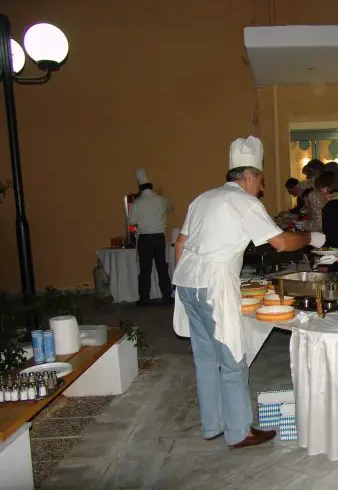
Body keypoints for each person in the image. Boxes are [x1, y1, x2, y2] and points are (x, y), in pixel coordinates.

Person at [172, 136, 326, 448]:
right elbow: (281, 243)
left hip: (187, 281)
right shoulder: (244, 202)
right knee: (232, 357)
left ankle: (212, 425)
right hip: (213, 284)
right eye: (261, 180)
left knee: (205, 358)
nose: (262, 188)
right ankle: (239, 432)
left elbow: (180, 244)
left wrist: (193, 280)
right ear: (250, 177)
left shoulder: (203, 198)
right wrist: (311, 237)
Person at [128, 169, 174, 305]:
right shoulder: (161, 200)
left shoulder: (137, 203)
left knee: (145, 269)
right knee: (162, 268)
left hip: (145, 239)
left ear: (140, 188)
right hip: (159, 237)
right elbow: (171, 208)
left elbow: (131, 222)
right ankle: (166, 295)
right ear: (151, 187)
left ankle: (144, 298)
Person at [301, 159, 326, 231]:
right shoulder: (314, 191)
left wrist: (300, 224)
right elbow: (305, 210)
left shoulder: (315, 193)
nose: (306, 178)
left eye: (309, 175)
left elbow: (318, 225)